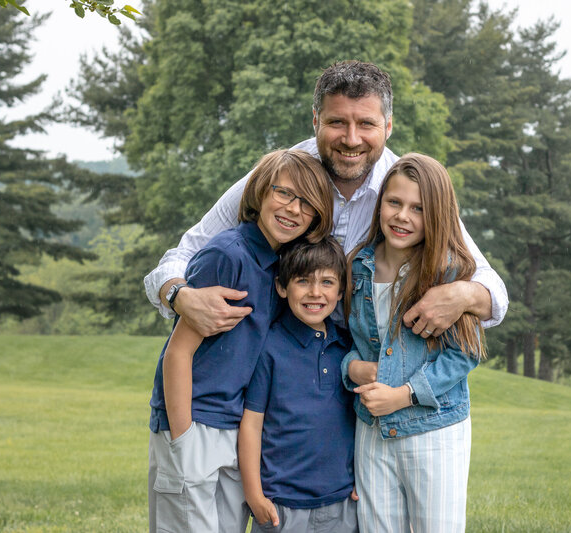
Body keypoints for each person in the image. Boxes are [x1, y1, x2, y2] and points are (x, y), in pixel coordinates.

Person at [143, 60, 508, 339]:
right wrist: (179, 296)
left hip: (368, 377)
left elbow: (493, 291)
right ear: (315, 120)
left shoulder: (407, 192)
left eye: (366, 124)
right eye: (337, 123)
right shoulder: (278, 179)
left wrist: (461, 295)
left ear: (389, 126)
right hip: (276, 368)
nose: (351, 139)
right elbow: (180, 256)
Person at [147, 150, 333, 533]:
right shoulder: (227, 254)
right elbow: (177, 353)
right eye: (284, 194)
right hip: (194, 423)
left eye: (306, 204)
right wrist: (181, 439)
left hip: (236, 429)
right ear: (260, 193)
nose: (293, 209)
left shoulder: (282, 269)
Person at [342, 153, 485, 532]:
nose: (403, 216)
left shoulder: (449, 273)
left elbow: (464, 356)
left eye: (418, 208)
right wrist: (352, 368)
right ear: (380, 204)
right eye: (395, 202)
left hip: (433, 428)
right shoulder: (357, 267)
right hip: (371, 430)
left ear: (437, 214)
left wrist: (402, 395)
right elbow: (348, 342)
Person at [239, 237, 358, 533]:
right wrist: (254, 494)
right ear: (282, 286)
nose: (315, 292)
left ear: (341, 290)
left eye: (327, 282)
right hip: (281, 505)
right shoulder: (269, 347)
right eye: (303, 281)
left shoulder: (347, 348)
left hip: (343, 503)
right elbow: (252, 425)